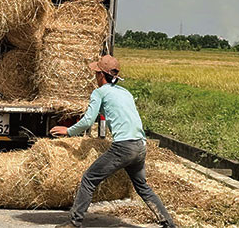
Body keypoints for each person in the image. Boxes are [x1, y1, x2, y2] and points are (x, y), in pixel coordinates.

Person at [50, 55, 175, 228]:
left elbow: (88, 121)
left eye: (96, 73)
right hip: (140, 145)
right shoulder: (125, 92)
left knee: (89, 179)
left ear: (101, 75)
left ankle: (74, 221)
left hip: (124, 146)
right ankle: (169, 224)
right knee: (143, 187)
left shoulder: (99, 92)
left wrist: (68, 131)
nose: (94, 76)